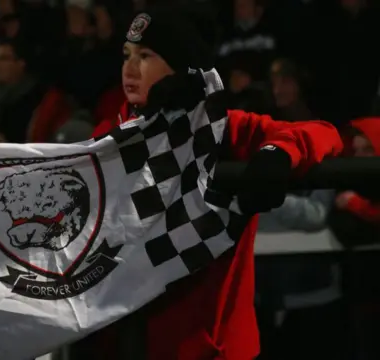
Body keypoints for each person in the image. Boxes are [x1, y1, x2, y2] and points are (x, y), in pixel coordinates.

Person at [76, 5, 343, 360]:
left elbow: (323, 133)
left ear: (179, 67)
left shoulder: (223, 127)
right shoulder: (107, 137)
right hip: (131, 343)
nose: (130, 68)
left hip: (216, 348)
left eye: (146, 55)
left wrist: (278, 153)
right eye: (127, 55)